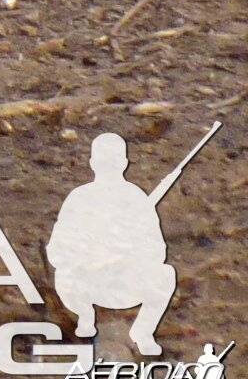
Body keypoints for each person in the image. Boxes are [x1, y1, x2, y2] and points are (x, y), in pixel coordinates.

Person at [50, 132, 181, 358]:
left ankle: (142, 333)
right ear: (93, 163)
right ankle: (85, 318)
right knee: (64, 275)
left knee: (165, 274)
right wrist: (87, 255)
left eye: (112, 161)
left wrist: (126, 253)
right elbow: (56, 250)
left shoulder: (136, 198)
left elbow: (158, 251)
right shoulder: (79, 198)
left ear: (123, 164)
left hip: (125, 282)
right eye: (104, 161)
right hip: (86, 282)